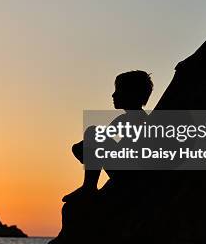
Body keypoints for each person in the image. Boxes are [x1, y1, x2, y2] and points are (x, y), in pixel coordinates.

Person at [62, 70, 153, 202]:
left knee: (93, 131)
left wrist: (85, 149)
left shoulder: (137, 120)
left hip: (131, 176)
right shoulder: (126, 119)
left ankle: (89, 187)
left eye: (118, 90)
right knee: (93, 134)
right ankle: (89, 187)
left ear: (131, 94)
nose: (113, 95)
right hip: (127, 171)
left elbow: (95, 140)